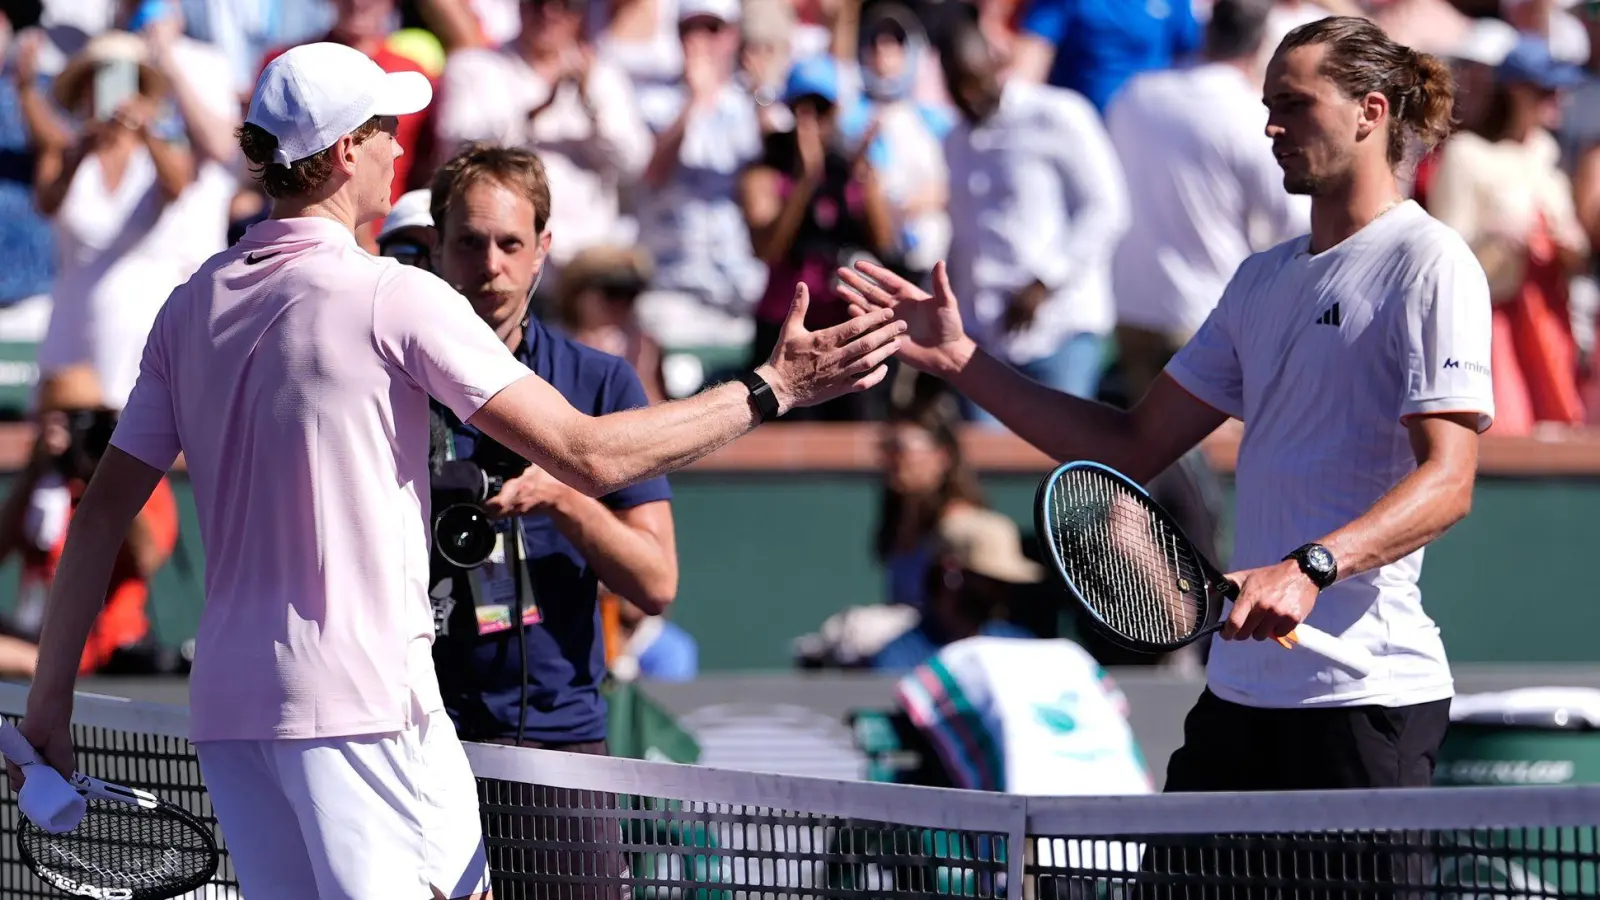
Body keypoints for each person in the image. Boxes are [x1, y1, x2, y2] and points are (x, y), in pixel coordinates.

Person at [10, 41, 904, 900]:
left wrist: (48, 708)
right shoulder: (393, 296)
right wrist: (773, 388)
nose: (399, 149)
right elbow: (590, 453)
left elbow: (101, 515)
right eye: (385, 131)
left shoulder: (189, 305)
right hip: (361, 707)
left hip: (235, 715)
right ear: (346, 152)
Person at [840, 16, 1492, 794]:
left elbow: (1449, 481)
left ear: (1369, 112)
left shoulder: (1429, 262)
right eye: (1268, 106)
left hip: (1363, 698)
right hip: (1239, 698)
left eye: (1295, 105)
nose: (1272, 127)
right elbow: (1130, 445)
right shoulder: (1259, 280)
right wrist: (961, 360)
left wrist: (1310, 568)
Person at [426, 142, 677, 756]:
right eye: (469, 242)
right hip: (418, 732)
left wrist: (564, 499)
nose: (491, 265)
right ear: (436, 247)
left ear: (542, 249)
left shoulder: (600, 380)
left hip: (560, 734)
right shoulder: (390, 378)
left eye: (510, 244)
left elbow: (656, 582)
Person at [940, 20, 1128, 419]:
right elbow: (962, 235)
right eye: (957, 86)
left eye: (974, 79)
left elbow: (1107, 208)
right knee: (987, 456)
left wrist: (1045, 281)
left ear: (997, 63)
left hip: (1060, 330)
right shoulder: (955, 140)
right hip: (986, 338)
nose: (968, 95)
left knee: (1062, 451)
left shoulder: (1056, 114)